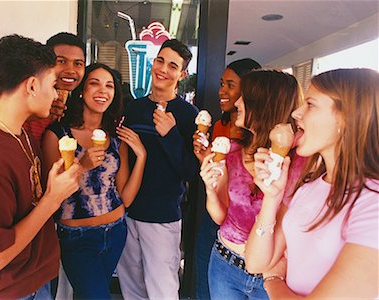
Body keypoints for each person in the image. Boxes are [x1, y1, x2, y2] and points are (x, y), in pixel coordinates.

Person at [0, 34, 82, 299]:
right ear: (33, 85)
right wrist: (53, 198)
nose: (56, 94)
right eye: (52, 84)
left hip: (32, 282)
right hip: (9, 292)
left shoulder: (19, 133)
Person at [244, 68, 379, 299]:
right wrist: (272, 197)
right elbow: (255, 262)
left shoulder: (372, 203)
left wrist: (274, 281)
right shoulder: (308, 187)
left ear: (345, 117)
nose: (296, 113)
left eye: (310, 104)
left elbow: (267, 271)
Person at [41, 63, 146, 299]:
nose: (103, 90)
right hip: (77, 239)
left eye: (109, 86)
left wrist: (142, 156)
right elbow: (52, 197)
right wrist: (82, 166)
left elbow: (126, 197)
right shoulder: (57, 136)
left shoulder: (116, 139)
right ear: (82, 89)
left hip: (116, 232)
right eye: (95, 83)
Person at [199, 70, 306, 299]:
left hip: (272, 276)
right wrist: (210, 189)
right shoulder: (232, 150)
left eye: (244, 95)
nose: (236, 101)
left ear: (263, 104)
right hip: (224, 264)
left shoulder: (300, 164)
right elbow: (221, 217)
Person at [116, 39, 199, 300]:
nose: (163, 69)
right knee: (131, 288)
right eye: (160, 61)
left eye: (172, 65)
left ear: (182, 74)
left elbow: (190, 172)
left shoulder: (188, 115)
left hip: (163, 218)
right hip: (127, 213)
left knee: (163, 290)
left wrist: (171, 134)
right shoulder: (133, 108)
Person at [193, 58, 260, 299]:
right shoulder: (220, 126)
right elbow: (220, 177)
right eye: (222, 83)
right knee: (203, 284)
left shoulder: (259, 138)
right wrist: (204, 159)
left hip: (247, 233)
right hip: (218, 218)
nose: (222, 90)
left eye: (230, 85)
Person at [0, 32, 85, 146]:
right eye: (61, 61)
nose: (71, 70)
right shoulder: (10, 88)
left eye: (78, 64)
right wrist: (25, 115)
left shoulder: (75, 101)